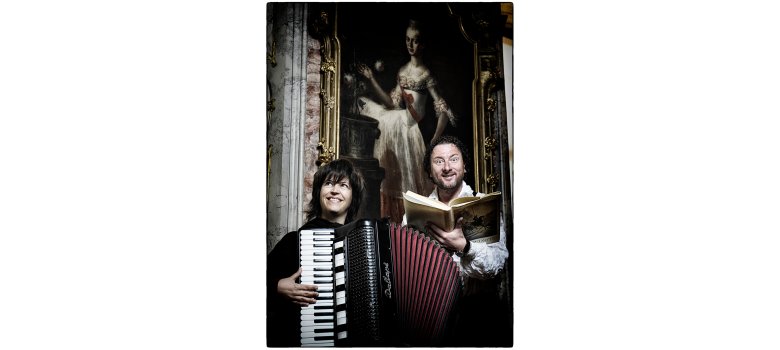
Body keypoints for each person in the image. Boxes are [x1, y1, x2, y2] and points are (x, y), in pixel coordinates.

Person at [405, 135, 510, 346]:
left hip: (478, 317)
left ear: (464, 166)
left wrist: (465, 247)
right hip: (429, 314)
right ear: (429, 170)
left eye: (453, 159)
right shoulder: (413, 213)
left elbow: (496, 265)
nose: (446, 167)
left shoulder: (484, 206)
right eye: (438, 161)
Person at [357, 19, 456, 224]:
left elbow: (443, 110)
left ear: (424, 44)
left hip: (410, 131)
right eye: (408, 40)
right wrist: (371, 78)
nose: (411, 45)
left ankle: (411, 234)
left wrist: (434, 141)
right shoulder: (402, 71)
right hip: (396, 127)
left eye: (416, 41)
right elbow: (391, 103)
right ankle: (393, 231)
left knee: (411, 186)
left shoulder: (426, 74)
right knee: (394, 182)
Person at [266, 159, 366, 347]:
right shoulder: (294, 241)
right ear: (318, 192)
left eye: (343, 185)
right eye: (328, 183)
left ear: (353, 197)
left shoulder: (362, 246)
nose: (334, 190)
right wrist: (277, 286)